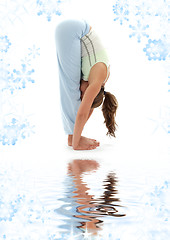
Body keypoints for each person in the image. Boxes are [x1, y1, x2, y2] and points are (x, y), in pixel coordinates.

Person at [55, 19, 118, 150]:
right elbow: (82, 113)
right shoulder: (95, 83)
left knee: (72, 87)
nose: (80, 91)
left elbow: (88, 109)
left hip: (74, 29)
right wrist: (76, 144)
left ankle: (73, 136)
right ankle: (73, 138)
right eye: (83, 94)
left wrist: (78, 133)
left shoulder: (98, 82)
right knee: (71, 88)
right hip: (74, 30)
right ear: (90, 90)